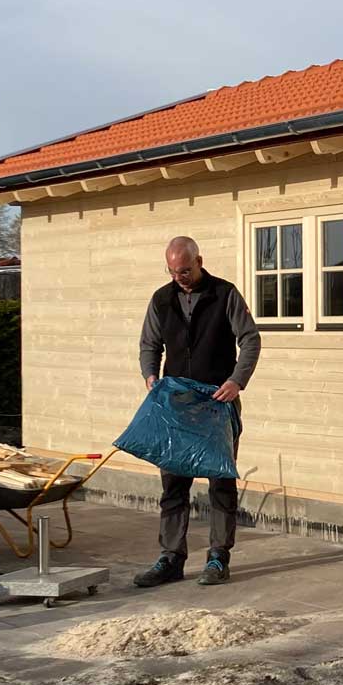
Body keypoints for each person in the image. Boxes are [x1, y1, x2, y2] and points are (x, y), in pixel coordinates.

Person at [133, 235, 261, 588]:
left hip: (217, 403)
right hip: (176, 406)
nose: (180, 277)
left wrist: (237, 381)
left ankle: (218, 557)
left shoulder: (225, 294)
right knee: (173, 485)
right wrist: (150, 375)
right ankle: (170, 558)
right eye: (173, 272)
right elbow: (149, 343)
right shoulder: (161, 299)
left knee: (221, 482)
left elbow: (250, 338)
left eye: (185, 270)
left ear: (199, 261)